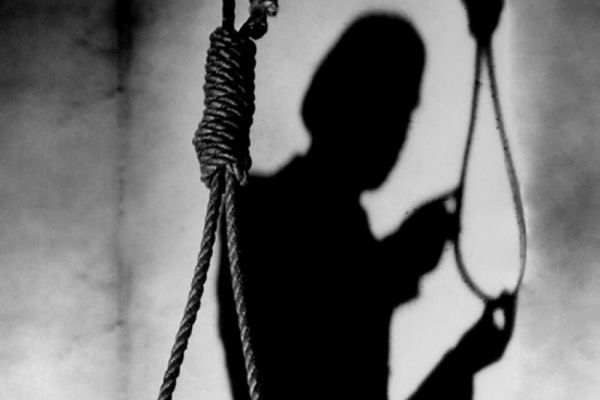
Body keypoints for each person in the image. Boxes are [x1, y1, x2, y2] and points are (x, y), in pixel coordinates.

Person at [219, 13, 515, 400]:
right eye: (389, 105)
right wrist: (398, 261)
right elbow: (320, 317)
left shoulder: (322, 226)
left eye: (406, 111)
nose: (399, 130)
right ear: (344, 99)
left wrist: (464, 361)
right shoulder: (256, 209)